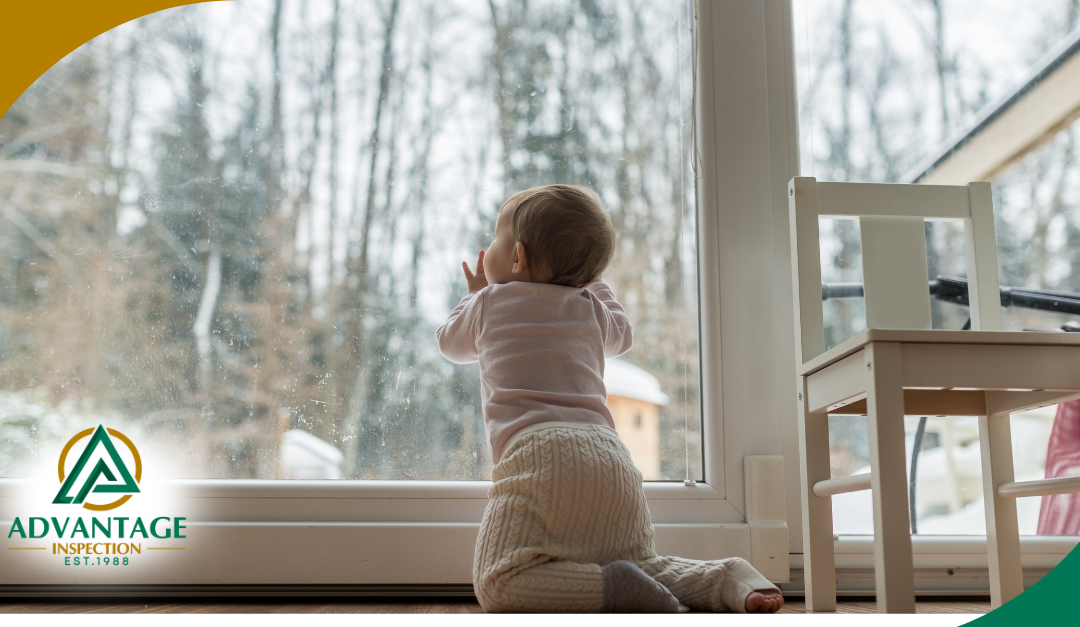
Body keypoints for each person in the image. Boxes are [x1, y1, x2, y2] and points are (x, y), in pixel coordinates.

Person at [436, 184, 784, 613]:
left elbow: (449, 346)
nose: (488, 247)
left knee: (500, 582)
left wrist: (468, 299)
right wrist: (593, 284)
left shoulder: (488, 303)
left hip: (538, 454)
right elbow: (623, 334)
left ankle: (613, 589)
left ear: (517, 257)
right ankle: (727, 576)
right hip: (611, 457)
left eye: (495, 237)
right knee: (645, 564)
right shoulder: (588, 306)